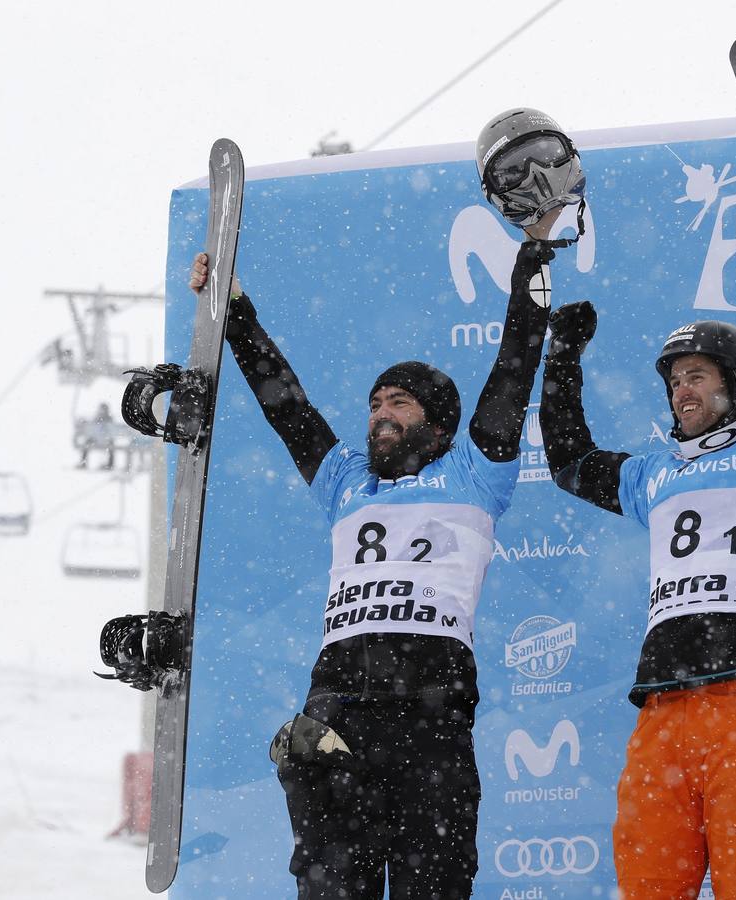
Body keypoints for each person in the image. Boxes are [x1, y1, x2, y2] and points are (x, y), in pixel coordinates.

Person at [192, 108, 584, 900]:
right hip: (338, 696)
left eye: (397, 402)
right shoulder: (346, 482)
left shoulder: (474, 472)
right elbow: (287, 406)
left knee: (433, 885)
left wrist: (534, 260)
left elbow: (512, 362)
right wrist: (233, 310)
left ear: (436, 423)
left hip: (431, 704)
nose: (379, 413)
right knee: (330, 884)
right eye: (374, 401)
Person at [538, 307, 736, 899]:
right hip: (662, 711)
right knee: (647, 888)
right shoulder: (653, 474)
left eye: (696, 375)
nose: (681, 389)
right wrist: (562, 359)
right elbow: (569, 463)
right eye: (675, 380)